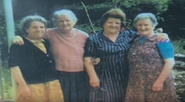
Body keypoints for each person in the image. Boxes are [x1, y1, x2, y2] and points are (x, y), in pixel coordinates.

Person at [83, 8, 169, 102]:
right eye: (110, 22)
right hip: (105, 78)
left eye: (117, 23)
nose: (113, 25)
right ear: (104, 23)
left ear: (121, 25)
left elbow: (147, 34)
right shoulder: (94, 39)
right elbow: (87, 59)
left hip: (126, 77)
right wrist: (93, 77)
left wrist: (161, 35)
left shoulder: (129, 35)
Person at [13, 9, 90, 102]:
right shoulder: (50, 33)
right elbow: (32, 35)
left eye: (67, 20)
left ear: (74, 21)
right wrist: (17, 37)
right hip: (59, 75)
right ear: (55, 22)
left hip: (80, 76)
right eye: (61, 21)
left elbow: (90, 54)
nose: (64, 23)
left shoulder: (84, 36)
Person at [9, 15, 64, 102]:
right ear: (26, 29)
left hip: (52, 84)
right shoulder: (19, 45)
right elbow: (14, 67)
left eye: (42, 27)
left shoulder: (46, 42)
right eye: (34, 27)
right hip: (32, 86)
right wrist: (23, 86)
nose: (39, 30)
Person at [125, 13, 177, 102]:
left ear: (153, 25)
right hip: (136, 84)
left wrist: (160, 82)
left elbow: (170, 63)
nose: (142, 27)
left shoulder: (162, 40)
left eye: (146, 25)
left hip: (156, 84)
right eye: (140, 25)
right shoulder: (135, 41)